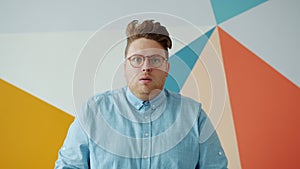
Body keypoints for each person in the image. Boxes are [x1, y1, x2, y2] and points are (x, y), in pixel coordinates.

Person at [55, 19, 228, 169]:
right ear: (125, 67)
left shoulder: (194, 116)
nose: (146, 67)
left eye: (155, 60)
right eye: (137, 59)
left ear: (167, 68)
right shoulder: (93, 112)